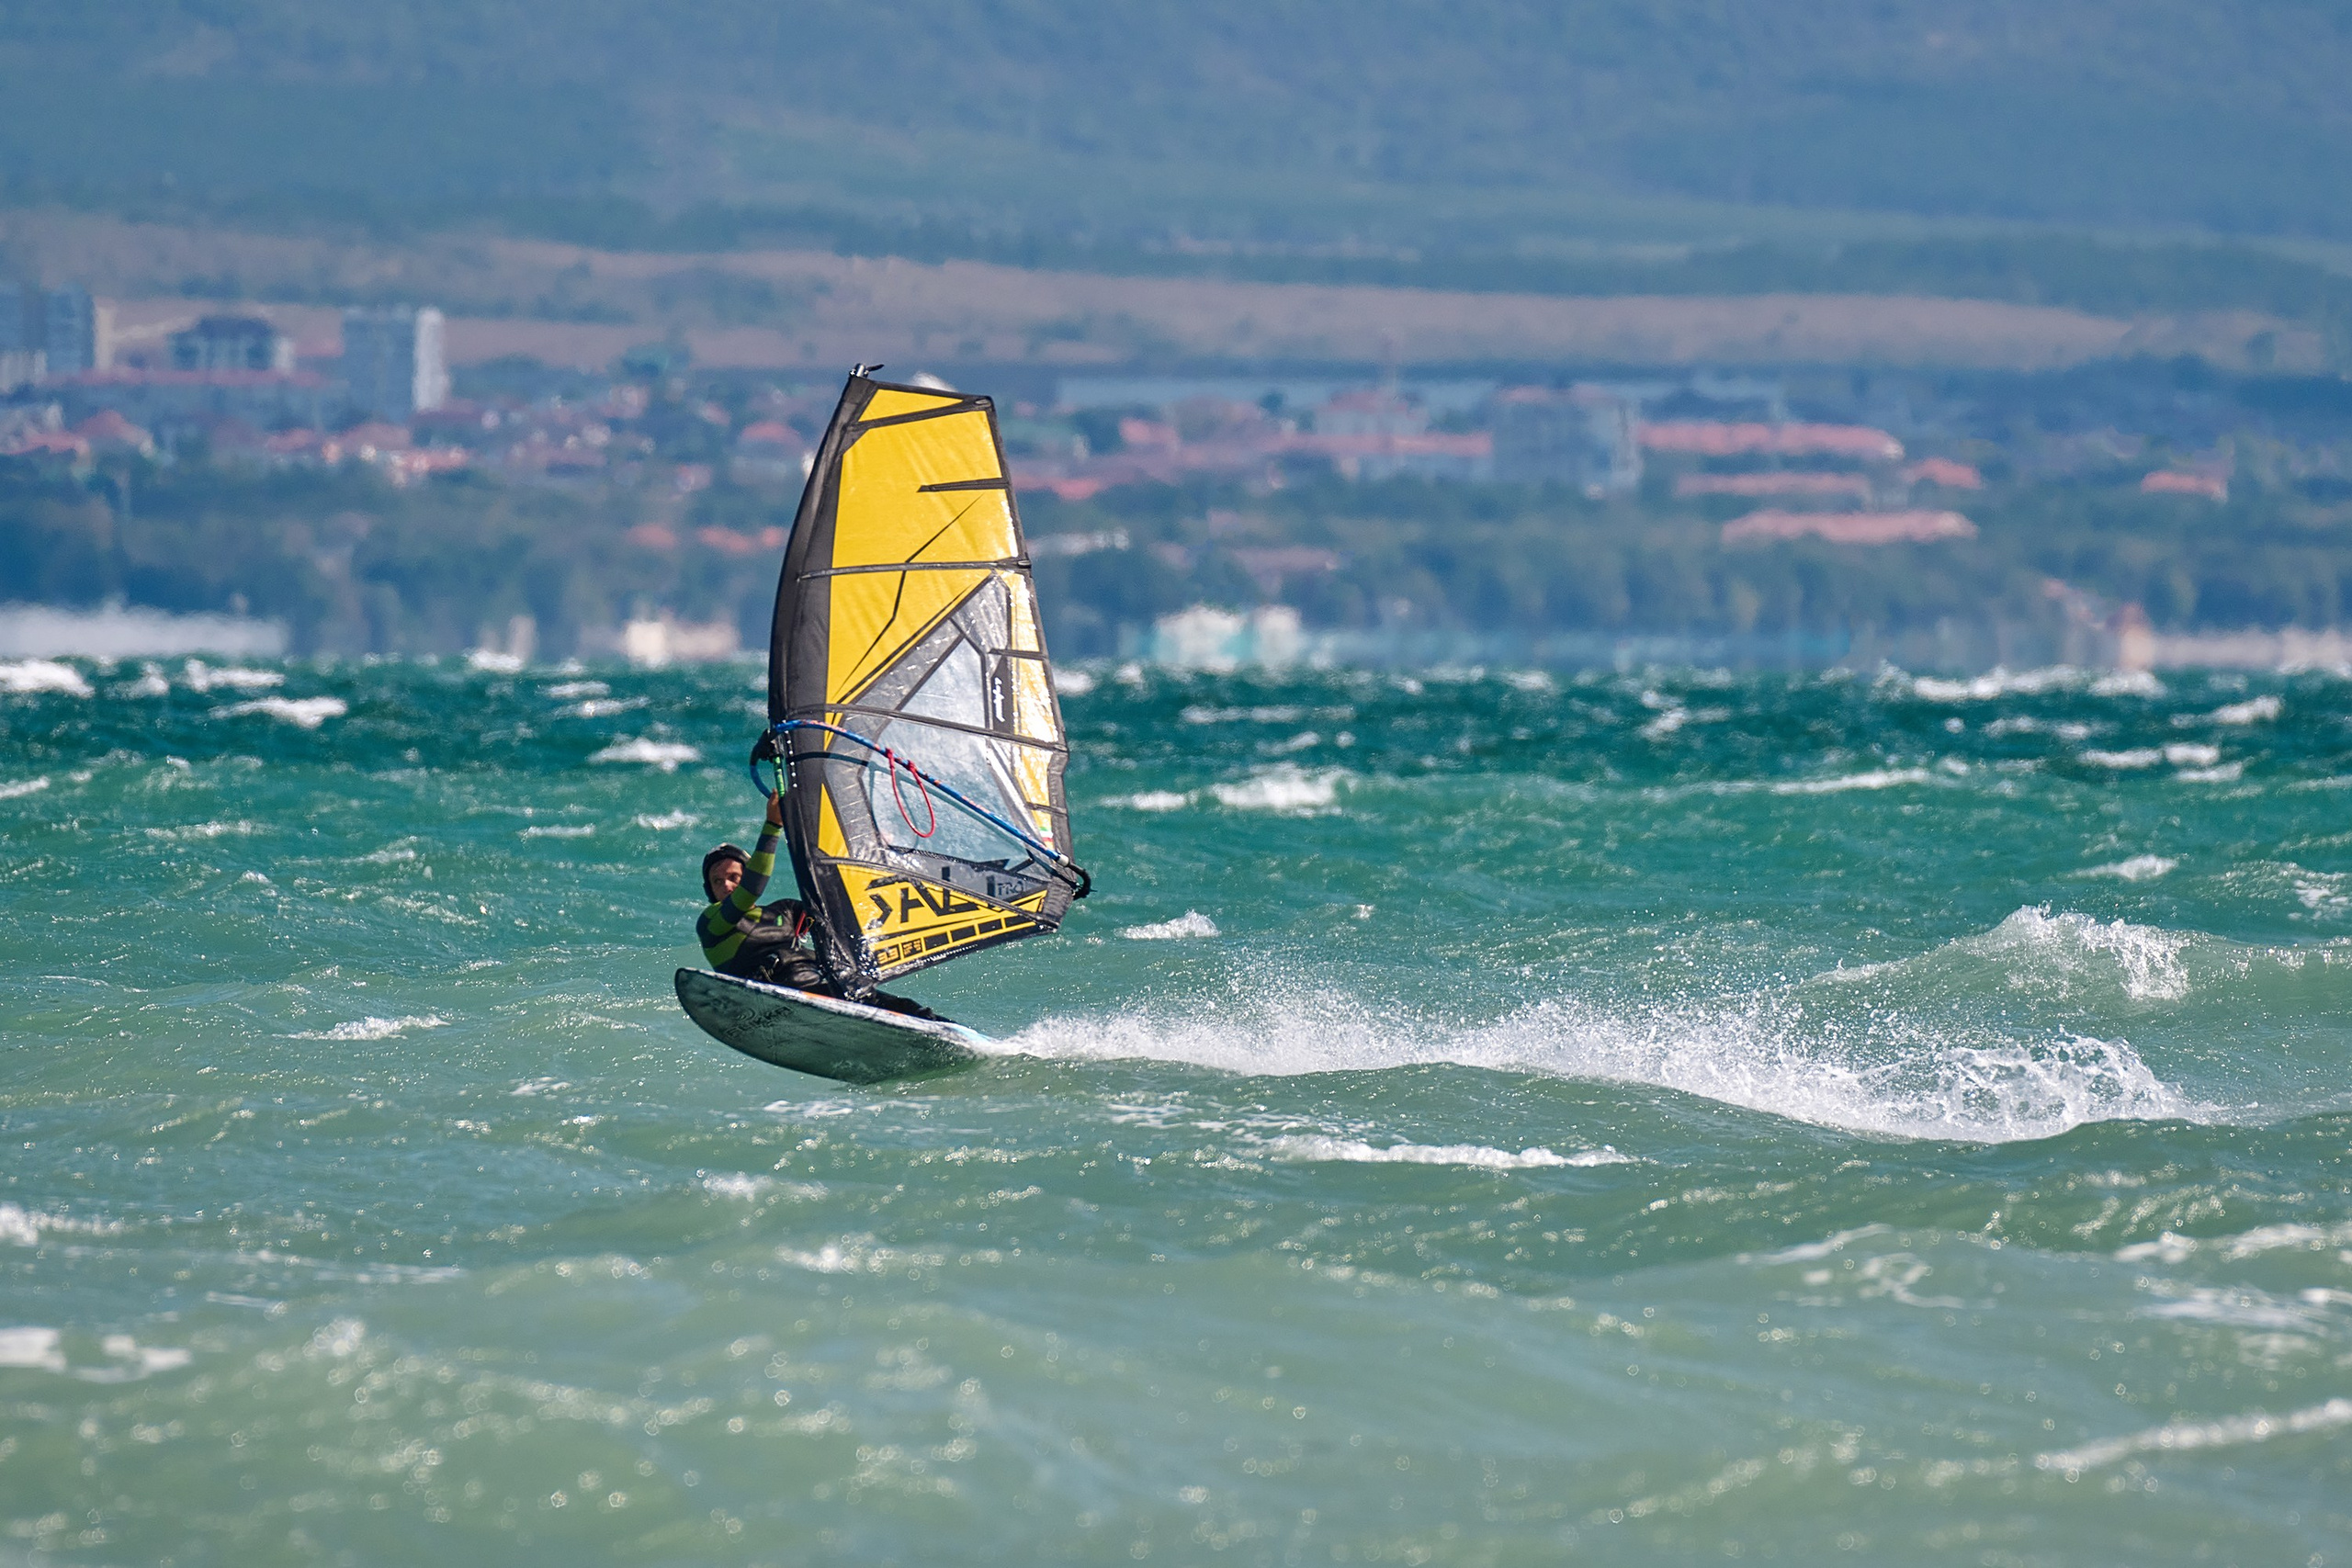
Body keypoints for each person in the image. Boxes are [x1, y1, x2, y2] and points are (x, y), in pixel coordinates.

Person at [696, 792, 944, 1021]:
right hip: (777, 995)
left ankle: (959, 1037)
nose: (726, 885)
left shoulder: (785, 911)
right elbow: (752, 887)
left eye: (734, 877)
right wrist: (773, 826)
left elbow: (837, 907)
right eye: (717, 881)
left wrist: (867, 855)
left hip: (828, 989)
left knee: (912, 1011)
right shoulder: (712, 922)